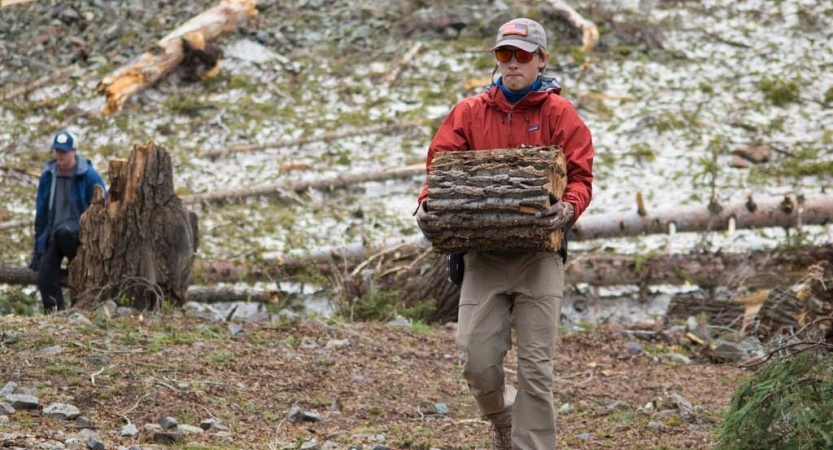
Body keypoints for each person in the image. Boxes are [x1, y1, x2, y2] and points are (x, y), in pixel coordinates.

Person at [415, 18, 594, 450]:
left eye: (522, 54)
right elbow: (439, 171)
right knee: (476, 360)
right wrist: (426, 206)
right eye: (504, 54)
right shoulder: (469, 113)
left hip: (540, 257)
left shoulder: (559, 114)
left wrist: (569, 207)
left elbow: (581, 176)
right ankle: (504, 417)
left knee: (537, 369)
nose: (513, 63)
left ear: (541, 59)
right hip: (483, 256)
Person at [29, 130, 106, 312]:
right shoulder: (48, 176)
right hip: (56, 236)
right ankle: (57, 316)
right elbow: (41, 214)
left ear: (74, 151)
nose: (60, 155)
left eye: (64, 151)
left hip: (80, 237)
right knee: (45, 277)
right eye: (57, 151)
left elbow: (103, 209)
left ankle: (84, 311)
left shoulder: (89, 176)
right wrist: (38, 249)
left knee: (79, 270)